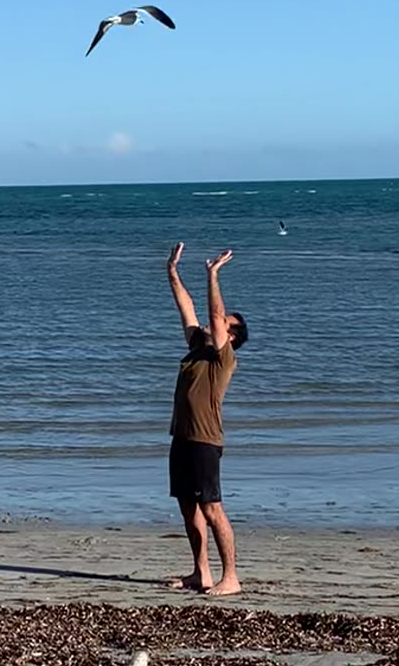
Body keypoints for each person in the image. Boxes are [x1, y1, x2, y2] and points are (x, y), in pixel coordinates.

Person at [165, 242, 249, 596]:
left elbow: (215, 316)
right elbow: (187, 310)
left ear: (230, 337)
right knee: (189, 508)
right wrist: (172, 272)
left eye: (224, 326)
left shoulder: (223, 358)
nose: (215, 327)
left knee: (212, 508)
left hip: (205, 441)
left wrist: (212, 274)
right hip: (181, 438)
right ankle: (201, 573)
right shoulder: (197, 347)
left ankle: (231, 577)